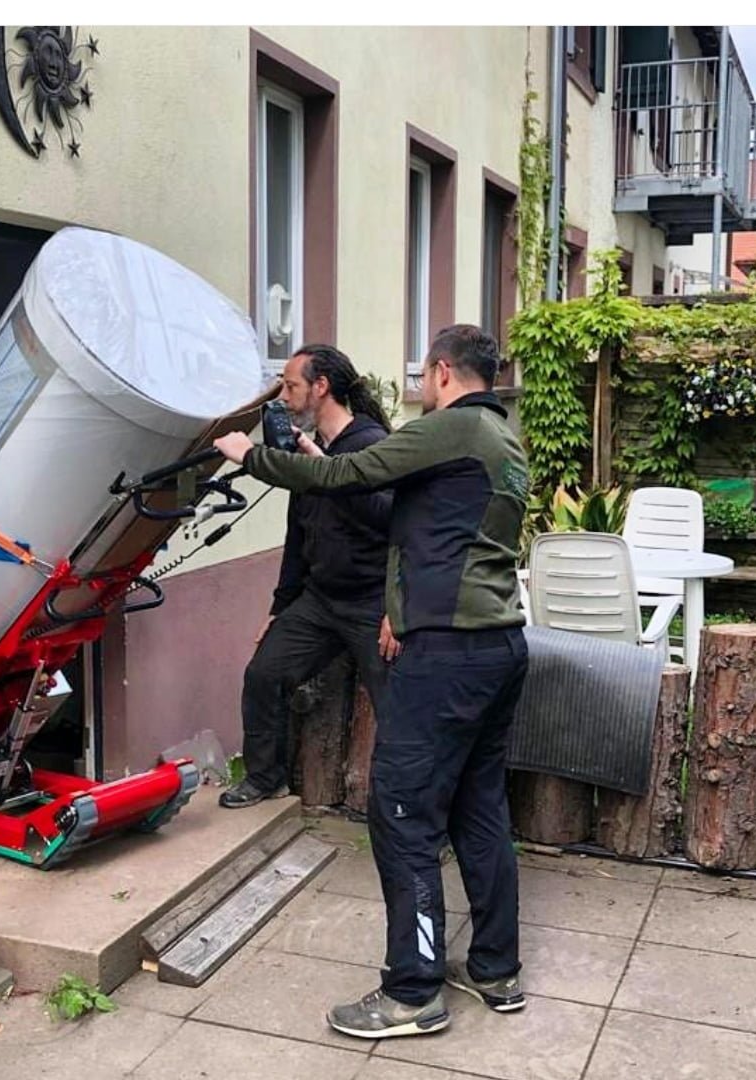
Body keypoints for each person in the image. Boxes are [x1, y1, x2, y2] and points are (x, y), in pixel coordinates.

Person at [214, 324, 529, 1037]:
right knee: (478, 809)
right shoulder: (503, 440)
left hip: (447, 654)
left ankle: (413, 991)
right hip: (497, 644)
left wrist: (251, 455)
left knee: (402, 813)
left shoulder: (453, 429)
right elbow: (425, 528)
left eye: (424, 374)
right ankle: (494, 968)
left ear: (444, 373)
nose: (420, 386)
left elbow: (343, 477)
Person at [218, 343, 400, 810]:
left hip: (371, 601)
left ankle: (412, 810)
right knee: (264, 674)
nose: (284, 393)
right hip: (320, 602)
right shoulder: (309, 453)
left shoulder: (371, 444)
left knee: (399, 708)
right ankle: (265, 778)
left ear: (322, 387)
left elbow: (391, 522)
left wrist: (399, 609)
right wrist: (279, 610)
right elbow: (298, 541)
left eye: (293, 384)